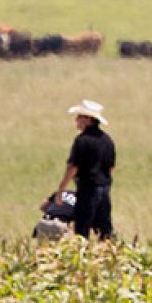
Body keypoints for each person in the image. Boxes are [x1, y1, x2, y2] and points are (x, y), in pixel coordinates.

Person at [45, 100, 116, 240]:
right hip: (104, 188)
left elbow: (73, 167)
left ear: (88, 119)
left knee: (82, 227)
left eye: (79, 117)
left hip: (88, 188)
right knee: (104, 227)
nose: (76, 120)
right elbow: (111, 167)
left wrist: (61, 189)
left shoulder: (82, 140)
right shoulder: (107, 140)